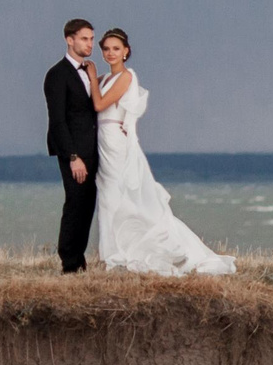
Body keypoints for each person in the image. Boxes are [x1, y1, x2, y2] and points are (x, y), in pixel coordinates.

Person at [85, 28, 236, 277]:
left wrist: (91, 77)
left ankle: (121, 253)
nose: (111, 53)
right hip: (101, 139)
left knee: (119, 194)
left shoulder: (125, 77)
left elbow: (100, 104)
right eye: (107, 49)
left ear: (126, 52)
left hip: (115, 142)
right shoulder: (104, 79)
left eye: (116, 49)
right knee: (108, 196)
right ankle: (111, 252)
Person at [43, 19, 100, 273]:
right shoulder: (57, 74)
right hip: (74, 152)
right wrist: (73, 156)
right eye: (84, 39)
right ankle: (69, 262)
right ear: (70, 39)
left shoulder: (89, 71)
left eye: (91, 39)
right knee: (75, 203)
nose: (90, 44)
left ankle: (79, 258)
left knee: (87, 204)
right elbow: (57, 120)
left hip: (93, 149)